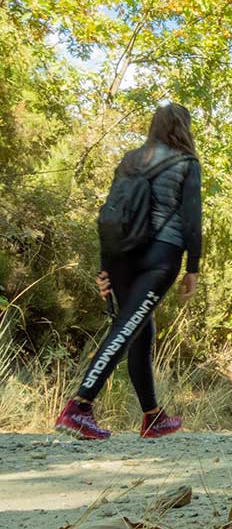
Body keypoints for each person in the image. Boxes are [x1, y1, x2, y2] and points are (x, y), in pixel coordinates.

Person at [55, 103, 203, 440]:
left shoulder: (130, 159)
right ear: (183, 128)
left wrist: (105, 267)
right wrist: (192, 268)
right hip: (160, 255)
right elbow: (192, 220)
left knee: (140, 328)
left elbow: (109, 214)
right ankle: (79, 407)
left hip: (120, 253)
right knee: (127, 327)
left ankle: (152, 416)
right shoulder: (186, 163)